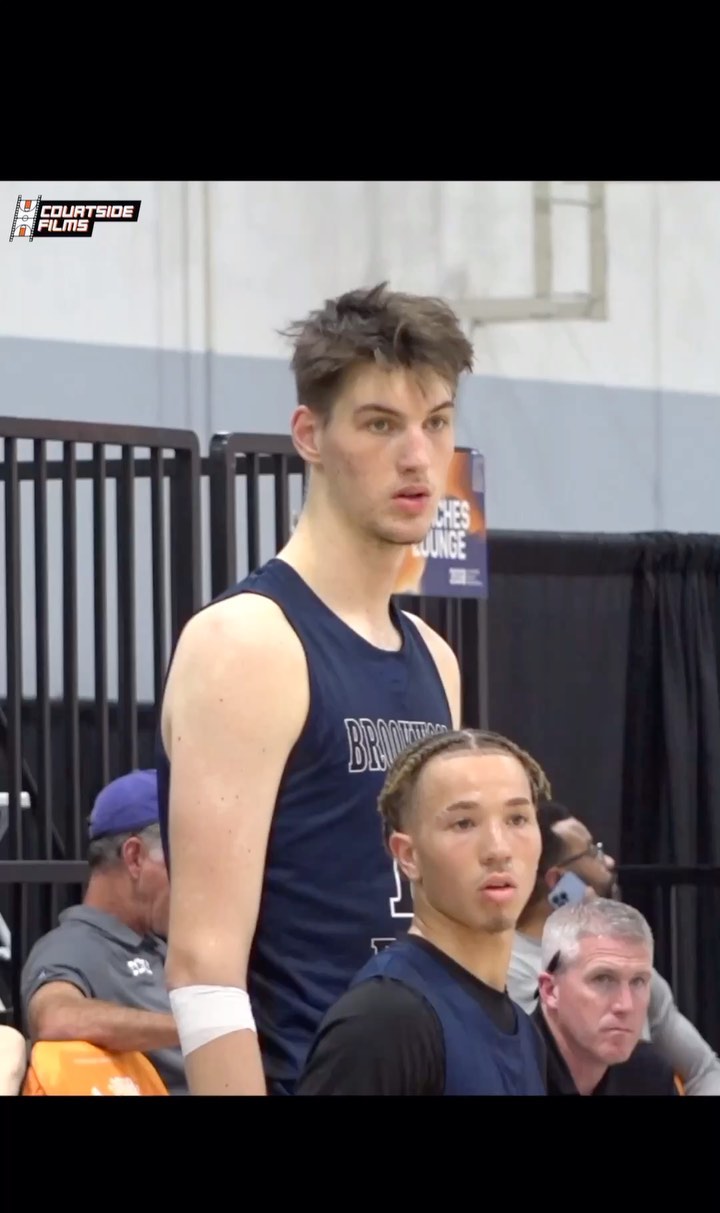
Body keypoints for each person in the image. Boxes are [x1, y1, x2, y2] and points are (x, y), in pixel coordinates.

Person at [157, 283, 474, 1096]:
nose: (418, 456)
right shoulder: (249, 643)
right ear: (311, 435)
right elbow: (203, 970)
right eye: (381, 424)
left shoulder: (435, 658)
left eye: (437, 422)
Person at [296, 728, 551, 1096]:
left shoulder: (526, 1033)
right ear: (408, 856)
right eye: (464, 823)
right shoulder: (383, 1021)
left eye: (517, 819)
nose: (498, 849)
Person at [507, 799, 720, 1094]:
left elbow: (704, 1070)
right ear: (559, 881)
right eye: (592, 852)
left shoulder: (625, 958)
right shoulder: (507, 970)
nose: (608, 861)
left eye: (637, 983)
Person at [21, 770, 187, 1095]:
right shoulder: (71, 947)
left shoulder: (161, 944)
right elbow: (55, 1017)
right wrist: (202, 1027)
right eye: (183, 862)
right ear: (135, 857)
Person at [535, 898, 678, 1095]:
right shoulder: (504, 1071)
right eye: (603, 979)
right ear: (550, 990)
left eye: (638, 981)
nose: (626, 1005)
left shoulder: (649, 1075)